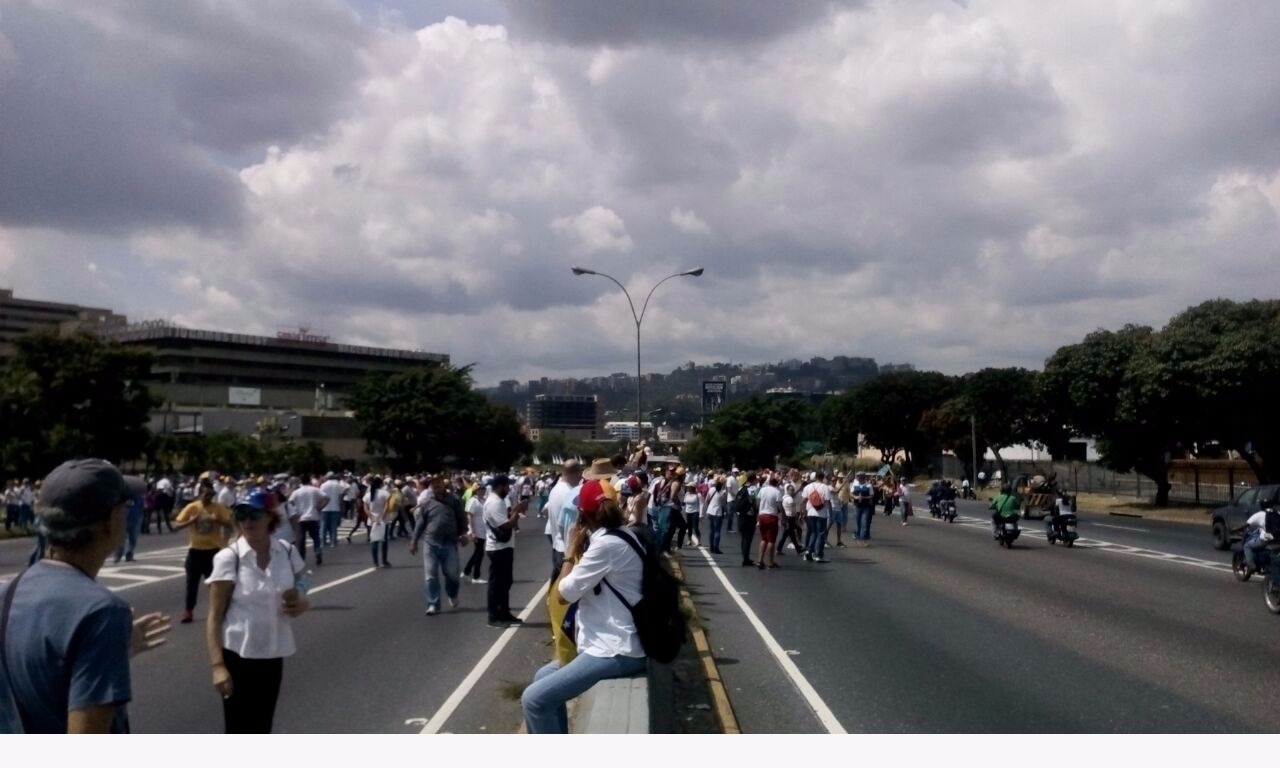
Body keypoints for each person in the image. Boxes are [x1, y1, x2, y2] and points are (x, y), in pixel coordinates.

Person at [0, 459, 170, 733]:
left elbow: (39, 671)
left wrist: (111, 650)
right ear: (110, 520)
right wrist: (104, 640)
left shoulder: (7, 592)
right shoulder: (102, 612)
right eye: (124, 507)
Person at [521, 485, 646, 734]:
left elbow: (563, 595)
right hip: (615, 642)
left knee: (534, 700)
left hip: (616, 649)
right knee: (541, 677)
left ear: (582, 515)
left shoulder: (604, 547)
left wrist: (569, 550)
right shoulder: (624, 535)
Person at [206, 491, 309, 733]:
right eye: (241, 514)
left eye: (254, 514)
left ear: (270, 518)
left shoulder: (286, 551)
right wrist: (218, 666)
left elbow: (302, 580)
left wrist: (303, 600)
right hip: (238, 657)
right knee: (238, 729)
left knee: (263, 727)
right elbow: (214, 616)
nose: (247, 521)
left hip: (273, 654)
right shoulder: (229, 558)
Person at [173, 477, 235, 624]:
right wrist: (192, 521)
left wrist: (217, 520)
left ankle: (221, 610)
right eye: (205, 495)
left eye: (211, 495)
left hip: (213, 552)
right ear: (200, 494)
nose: (208, 498)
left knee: (215, 584)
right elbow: (176, 526)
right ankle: (188, 611)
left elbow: (229, 526)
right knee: (191, 583)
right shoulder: (192, 507)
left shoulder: (219, 507)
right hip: (195, 551)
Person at [409, 475, 469, 615]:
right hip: (431, 543)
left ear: (443, 485)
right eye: (433, 485)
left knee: (452, 574)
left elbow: (462, 518)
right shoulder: (427, 504)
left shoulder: (454, 500)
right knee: (430, 576)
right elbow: (420, 524)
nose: (436, 487)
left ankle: (452, 594)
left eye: (439, 484)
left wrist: (463, 534)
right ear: (431, 488)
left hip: (450, 542)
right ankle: (433, 604)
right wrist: (414, 541)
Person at [485, 476, 527, 628]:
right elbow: (507, 525)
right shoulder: (495, 502)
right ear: (500, 486)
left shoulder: (499, 501)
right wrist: (518, 511)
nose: (509, 489)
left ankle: (504, 612)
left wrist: (515, 510)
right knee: (497, 583)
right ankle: (493, 616)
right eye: (507, 486)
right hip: (498, 548)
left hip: (504, 546)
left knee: (505, 582)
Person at [548, 460, 587, 580]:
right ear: (575, 473)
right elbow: (571, 526)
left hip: (557, 545)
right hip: (566, 549)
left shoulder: (556, 489)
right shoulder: (569, 493)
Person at [289, 476, 326, 566]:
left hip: (301, 518)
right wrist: (320, 507)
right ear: (309, 481)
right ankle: (318, 553)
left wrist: (296, 509)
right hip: (313, 516)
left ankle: (302, 558)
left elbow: (290, 501)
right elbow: (326, 498)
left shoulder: (297, 492)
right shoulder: (314, 490)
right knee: (316, 538)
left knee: (302, 540)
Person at [801, 471, 831, 562]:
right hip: (821, 514)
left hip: (810, 512)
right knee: (821, 533)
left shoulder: (808, 487)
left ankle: (809, 551)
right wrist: (829, 513)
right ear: (823, 477)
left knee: (813, 532)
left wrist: (803, 512)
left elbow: (804, 501)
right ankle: (818, 554)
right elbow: (827, 502)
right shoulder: (825, 488)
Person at [463, 483, 489, 584]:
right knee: (480, 552)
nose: (482, 491)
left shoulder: (483, 500)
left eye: (483, 489)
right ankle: (476, 576)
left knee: (477, 552)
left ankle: (466, 571)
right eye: (480, 489)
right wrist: (473, 532)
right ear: (475, 490)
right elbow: (469, 516)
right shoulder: (473, 501)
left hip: (483, 528)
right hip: (476, 528)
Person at [756, 475, 783, 569]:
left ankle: (760, 560)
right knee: (771, 540)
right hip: (772, 516)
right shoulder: (777, 492)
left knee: (763, 539)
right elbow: (780, 506)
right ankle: (770, 562)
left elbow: (758, 502)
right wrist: (783, 516)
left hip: (762, 515)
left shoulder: (762, 490)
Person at [365, 477, 392, 568]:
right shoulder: (385, 493)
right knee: (384, 542)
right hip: (383, 520)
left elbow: (366, 508)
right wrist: (381, 517)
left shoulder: (368, 495)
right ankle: (384, 561)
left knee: (374, 541)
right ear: (381, 484)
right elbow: (386, 507)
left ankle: (375, 562)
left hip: (371, 521)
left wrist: (372, 517)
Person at [112, 492, 144, 564]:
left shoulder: (139, 497)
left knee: (133, 540)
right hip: (123, 521)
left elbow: (141, 507)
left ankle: (129, 555)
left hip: (135, 521)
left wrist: (140, 517)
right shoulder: (122, 497)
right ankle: (117, 556)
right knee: (121, 540)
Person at [735, 473, 759, 567]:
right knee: (748, 538)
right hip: (749, 516)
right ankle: (746, 559)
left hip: (741, 516)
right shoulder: (752, 489)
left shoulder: (741, 488)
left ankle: (744, 556)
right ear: (753, 479)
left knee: (743, 537)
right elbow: (754, 503)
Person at [318, 472, 345, 549]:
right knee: (334, 526)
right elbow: (340, 498)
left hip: (325, 508)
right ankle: (333, 542)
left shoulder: (323, 485)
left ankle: (322, 542)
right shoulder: (338, 485)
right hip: (335, 508)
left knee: (323, 526)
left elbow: (321, 497)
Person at [705, 477, 727, 555]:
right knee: (717, 530)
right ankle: (716, 548)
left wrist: (707, 509)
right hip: (718, 512)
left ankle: (711, 547)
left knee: (711, 530)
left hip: (710, 511)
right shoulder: (723, 492)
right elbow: (724, 504)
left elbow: (707, 500)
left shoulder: (711, 489)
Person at [852, 472, 875, 545]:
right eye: (858, 476)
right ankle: (858, 538)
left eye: (860, 477)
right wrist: (855, 497)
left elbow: (872, 495)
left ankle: (863, 539)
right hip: (857, 506)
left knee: (864, 523)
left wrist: (864, 497)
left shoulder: (868, 485)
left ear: (863, 477)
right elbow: (851, 493)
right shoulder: (855, 484)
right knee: (858, 523)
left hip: (866, 507)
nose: (858, 478)